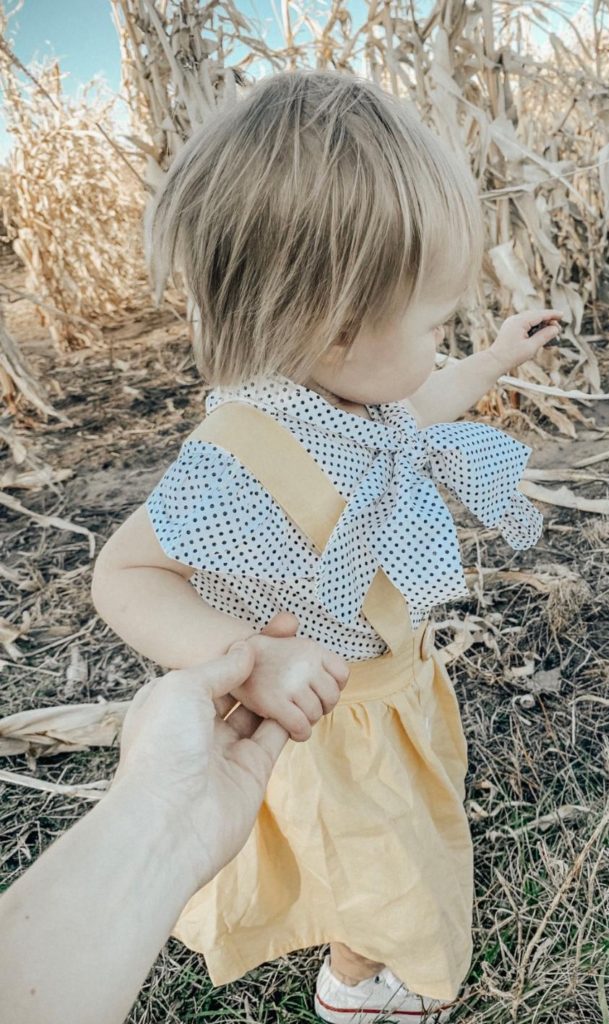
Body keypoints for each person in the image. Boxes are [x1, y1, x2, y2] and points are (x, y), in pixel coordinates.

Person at [90, 68, 561, 1024]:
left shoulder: (357, 402)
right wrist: (250, 659)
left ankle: (360, 966)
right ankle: (358, 990)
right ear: (337, 323)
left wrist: (498, 355)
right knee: (386, 865)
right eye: (439, 324)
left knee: (390, 849)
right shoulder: (245, 449)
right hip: (330, 720)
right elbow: (125, 575)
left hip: (392, 693)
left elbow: (423, 403)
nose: (445, 341)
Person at [0, 612, 330, 1024]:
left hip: (375, 730)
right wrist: (252, 659)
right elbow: (121, 573)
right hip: (272, 741)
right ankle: (354, 981)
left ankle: (363, 955)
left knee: (381, 857)